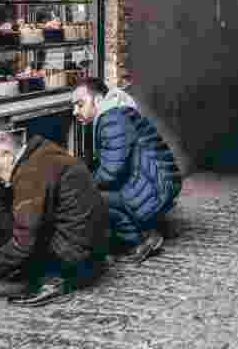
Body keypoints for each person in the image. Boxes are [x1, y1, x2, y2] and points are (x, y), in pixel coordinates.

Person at [0, 130, 110, 306]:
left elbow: (24, 243)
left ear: (7, 154)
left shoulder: (30, 174)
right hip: (95, 251)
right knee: (4, 222)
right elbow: (42, 218)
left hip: (75, 260)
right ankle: (33, 274)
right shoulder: (43, 152)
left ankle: (53, 281)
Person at [72, 78, 183, 263]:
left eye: (80, 104)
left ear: (98, 101)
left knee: (93, 197)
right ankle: (152, 224)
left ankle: (141, 240)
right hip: (160, 180)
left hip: (158, 184)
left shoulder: (111, 119)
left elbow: (111, 171)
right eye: (74, 106)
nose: (75, 111)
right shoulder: (116, 112)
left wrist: (81, 184)